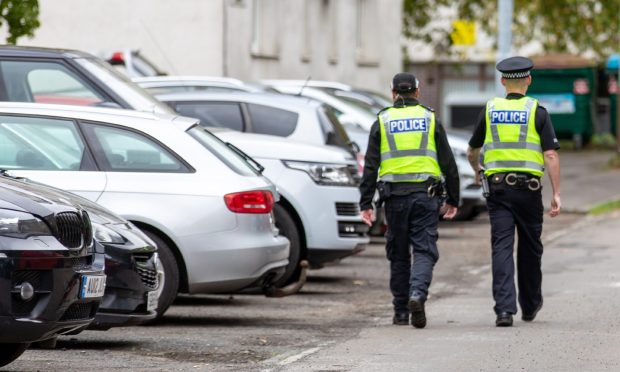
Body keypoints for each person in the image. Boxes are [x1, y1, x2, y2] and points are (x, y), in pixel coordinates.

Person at [466, 56, 561, 327]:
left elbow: (472, 150)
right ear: (528, 79)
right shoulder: (537, 111)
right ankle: (530, 306)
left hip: (498, 191)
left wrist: (477, 169)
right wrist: (556, 193)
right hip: (529, 192)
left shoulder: (490, 109)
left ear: (503, 81)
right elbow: (551, 154)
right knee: (531, 248)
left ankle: (504, 310)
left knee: (502, 247)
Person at [359, 72, 459, 328]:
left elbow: (370, 165)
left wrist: (365, 203)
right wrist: (454, 199)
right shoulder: (430, 118)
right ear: (417, 92)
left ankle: (401, 311)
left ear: (393, 93)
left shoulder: (382, 120)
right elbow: (448, 162)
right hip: (426, 197)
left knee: (398, 254)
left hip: (394, 199)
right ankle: (418, 294)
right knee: (424, 249)